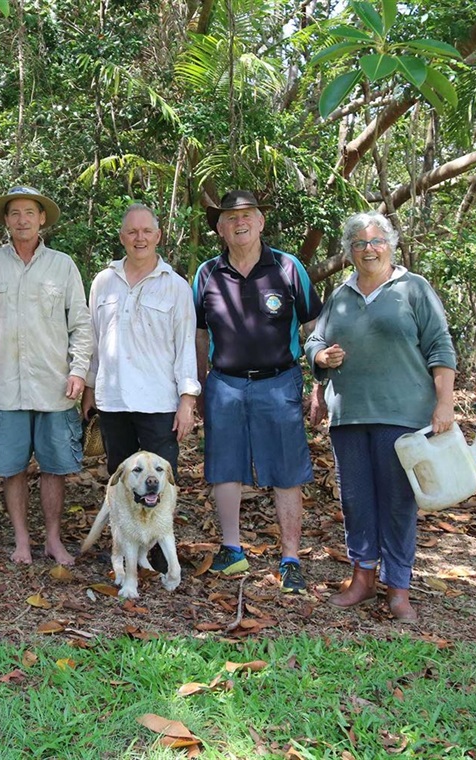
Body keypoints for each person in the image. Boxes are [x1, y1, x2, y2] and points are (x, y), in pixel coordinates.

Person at [305, 212, 456, 622]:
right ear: (349, 251)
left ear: (390, 244)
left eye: (376, 241)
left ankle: (399, 587)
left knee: (397, 501)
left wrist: (445, 402)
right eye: (359, 243)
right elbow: (316, 338)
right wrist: (319, 359)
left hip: (402, 414)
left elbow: (440, 347)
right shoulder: (340, 295)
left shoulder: (413, 289)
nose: (368, 249)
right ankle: (363, 577)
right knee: (356, 500)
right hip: (349, 413)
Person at [193, 190, 322, 593]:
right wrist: (198, 384)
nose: (240, 223)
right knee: (224, 465)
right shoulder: (207, 273)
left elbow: (314, 327)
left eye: (247, 215)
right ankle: (232, 550)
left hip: (278, 381)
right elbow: (199, 333)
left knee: (286, 469)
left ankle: (290, 559)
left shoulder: (286, 267)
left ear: (261, 222)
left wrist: (319, 383)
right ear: (219, 227)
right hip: (225, 383)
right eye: (230, 218)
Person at [0, 186, 92, 566]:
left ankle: (54, 540)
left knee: (55, 467)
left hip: (54, 384)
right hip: (5, 385)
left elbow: (82, 324)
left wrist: (78, 370)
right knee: (12, 468)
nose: (22, 220)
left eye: (30, 213)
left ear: (42, 219)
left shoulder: (62, 265)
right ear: (6, 221)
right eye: (14, 213)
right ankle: (22, 540)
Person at [82, 203, 200, 480]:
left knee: (159, 484)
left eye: (147, 231)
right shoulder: (103, 281)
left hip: (158, 403)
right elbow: (94, 340)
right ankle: (122, 526)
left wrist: (187, 401)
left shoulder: (176, 287)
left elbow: (185, 347)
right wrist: (89, 387)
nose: (140, 238)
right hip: (113, 401)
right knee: (120, 480)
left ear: (158, 236)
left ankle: (158, 526)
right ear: (122, 237)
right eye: (132, 232)